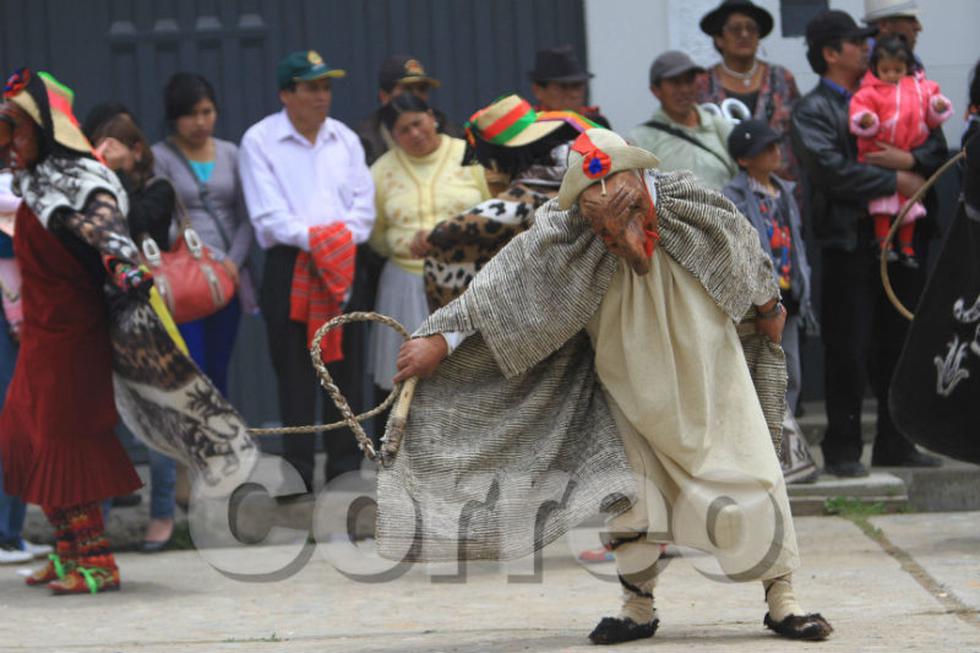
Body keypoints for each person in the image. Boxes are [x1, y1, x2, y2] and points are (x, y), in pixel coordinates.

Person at [379, 128, 832, 644]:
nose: (612, 232)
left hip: (714, 378)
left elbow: (744, 250)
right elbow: (504, 283)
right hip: (629, 388)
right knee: (632, 496)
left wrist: (768, 306)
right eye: (600, 221)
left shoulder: (690, 203)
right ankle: (637, 607)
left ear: (640, 180)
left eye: (622, 211)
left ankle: (783, 601)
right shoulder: (569, 230)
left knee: (752, 476)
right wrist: (442, 336)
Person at [0, 68, 146, 594]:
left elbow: (107, 232)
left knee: (68, 441)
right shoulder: (33, 182)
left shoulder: (84, 179)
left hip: (73, 337)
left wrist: (125, 266)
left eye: (15, 128)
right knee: (26, 435)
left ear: (43, 130)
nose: (8, 142)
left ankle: (99, 562)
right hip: (40, 336)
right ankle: (66, 553)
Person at [790, 10, 942, 477]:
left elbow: (936, 149)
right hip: (848, 239)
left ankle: (896, 442)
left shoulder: (894, 90)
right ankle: (842, 449)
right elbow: (831, 172)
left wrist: (912, 156)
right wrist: (897, 175)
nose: (868, 49)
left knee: (900, 343)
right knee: (848, 347)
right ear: (831, 54)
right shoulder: (813, 109)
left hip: (905, 235)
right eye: (857, 43)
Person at [239, 50, 375, 495]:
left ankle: (346, 474)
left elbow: (364, 213)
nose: (322, 96)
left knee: (347, 372)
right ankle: (296, 479)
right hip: (291, 265)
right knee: (294, 374)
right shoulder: (259, 141)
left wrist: (333, 244)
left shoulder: (346, 139)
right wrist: (324, 240)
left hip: (343, 264)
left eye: (326, 86)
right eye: (311, 87)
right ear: (286, 94)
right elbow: (269, 217)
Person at [89, 112, 181, 553]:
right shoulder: (93, 191)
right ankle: (98, 520)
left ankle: (162, 515)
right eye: (99, 144)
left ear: (136, 149)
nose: (106, 152)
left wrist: (110, 177)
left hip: (146, 311)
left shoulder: (156, 190)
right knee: (105, 417)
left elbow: (132, 224)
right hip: (102, 312)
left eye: (114, 144)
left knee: (154, 416)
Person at [424, 94, 596, 310]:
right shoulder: (580, 166)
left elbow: (499, 213)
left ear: (499, 159)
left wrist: (435, 235)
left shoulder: (533, 191)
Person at [367, 93, 489, 392]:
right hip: (407, 285)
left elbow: (496, 207)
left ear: (432, 117)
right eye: (403, 131)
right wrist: (404, 244)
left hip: (470, 281)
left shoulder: (469, 154)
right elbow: (375, 233)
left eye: (418, 123)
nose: (415, 134)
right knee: (410, 382)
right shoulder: (381, 172)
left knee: (473, 378)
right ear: (392, 136)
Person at [723, 120, 819, 483]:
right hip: (754, 304)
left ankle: (784, 452)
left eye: (776, 146)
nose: (776, 153)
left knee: (789, 373)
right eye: (765, 149)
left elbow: (797, 244)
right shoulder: (732, 197)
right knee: (753, 375)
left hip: (789, 296)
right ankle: (755, 454)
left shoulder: (786, 192)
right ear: (744, 160)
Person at [849, 34, 953, 267]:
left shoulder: (919, 89)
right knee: (884, 205)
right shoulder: (869, 91)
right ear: (876, 68)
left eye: (897, 69)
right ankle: (883, 243)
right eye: (885, 70)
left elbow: (933, 112)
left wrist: (939, 106)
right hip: (878, 155)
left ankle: (906, 248)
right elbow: (859, 111)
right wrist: (867, 120)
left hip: (909, 150)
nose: (891, 75)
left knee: (909, 208)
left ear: (907, 67)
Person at [0, 173, 52, 565]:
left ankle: (10, 533)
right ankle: (6, 534)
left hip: (19, 309)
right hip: (12, 314)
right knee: (12, 416)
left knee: (18, 416)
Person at [696, 0, 802, 185]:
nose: (744, 34)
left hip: (780, 188)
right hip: (726, 190)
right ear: (719, 39)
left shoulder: (782, 79)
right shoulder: (703, 84)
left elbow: (799, 135)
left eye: (751, 28)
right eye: (735, 29)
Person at [629, 51, 737, 191]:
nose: (685, 89)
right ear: (656, 90)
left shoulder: (720, 127)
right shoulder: (641, 139)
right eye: (675, 82)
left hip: (727, 211)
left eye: (689, 81)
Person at [356, 55, 462, 166]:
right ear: (384, 97)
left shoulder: (453, 134)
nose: (416, 96)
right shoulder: (363, 144)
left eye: (422, 88)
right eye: (407, 89)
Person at [528, 45, 611, 129]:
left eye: (577, 85)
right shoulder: (528, 127)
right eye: (562, 87)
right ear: (538, 91)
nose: (574, 94)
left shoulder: (597, 124)